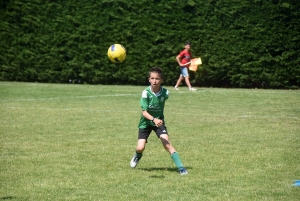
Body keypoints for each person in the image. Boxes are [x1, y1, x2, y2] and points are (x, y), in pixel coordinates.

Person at [130, 67, 188, 175]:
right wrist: (153, 119)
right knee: (140, 147)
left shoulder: (165, 93)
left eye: (157, 78)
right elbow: (144, 112)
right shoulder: (145, 93)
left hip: (159, 123)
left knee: (167, 144)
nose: (154, 81)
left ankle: (181, 168)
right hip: (146, 123)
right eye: (152, 78)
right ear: (149, 80)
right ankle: (137, 156)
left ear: (162, 80)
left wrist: (158, 120)